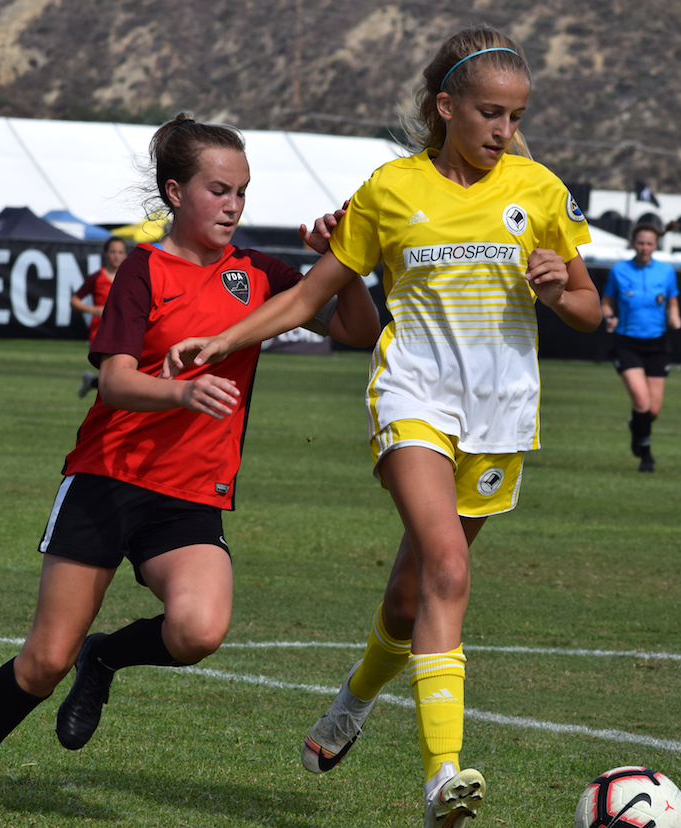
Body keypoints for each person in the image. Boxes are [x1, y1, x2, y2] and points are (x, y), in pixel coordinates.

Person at [162, 26, 601, 827]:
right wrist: (223, 339)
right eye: (489, 113)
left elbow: (588, 308)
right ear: (447, 107)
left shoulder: (539, 191)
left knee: (412, 595)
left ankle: (353, 702)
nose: (504, 130)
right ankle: (443, 779)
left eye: (515, 115)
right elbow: (309, 298)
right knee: (447, 570)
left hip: (501, 415)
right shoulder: (390, 190)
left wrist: (554, 286)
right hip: (414, 401)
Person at [0, 114, 380, 820]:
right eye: (219, 190)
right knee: (44, 662)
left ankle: (106, 657)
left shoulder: (259, 272)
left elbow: (357, 330)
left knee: (197, 631)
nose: (233, 205)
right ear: (176, 193)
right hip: (107, 478)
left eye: (242, 192)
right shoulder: (144, 267)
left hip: (187, 493)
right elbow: (113, 381)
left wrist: (343, 262)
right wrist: (180, 390)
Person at [600, 223, 681, 473]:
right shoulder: (619, 271)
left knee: (652, 410)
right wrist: (609, 316)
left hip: (657, 343)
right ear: (632, 243)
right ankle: (646, 455)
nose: (644, 248)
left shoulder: (666, 272)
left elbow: (673, 302)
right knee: (641, 401)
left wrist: (674, 316)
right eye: (640, 243)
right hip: (627, 343)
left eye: (649, 244)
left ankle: (636, 425)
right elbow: (606, 302)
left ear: (656, 245)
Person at [71, 235, 128, 397]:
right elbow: (75, 301)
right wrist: (94, 310)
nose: (116, 255)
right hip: (100, 332)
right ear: (105, 254)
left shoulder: (129, 277)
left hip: (123, 332)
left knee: (117, 376)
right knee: (109, 376)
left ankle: (91, 383)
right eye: (113, 252)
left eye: (120, 252)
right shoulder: (96, 277)